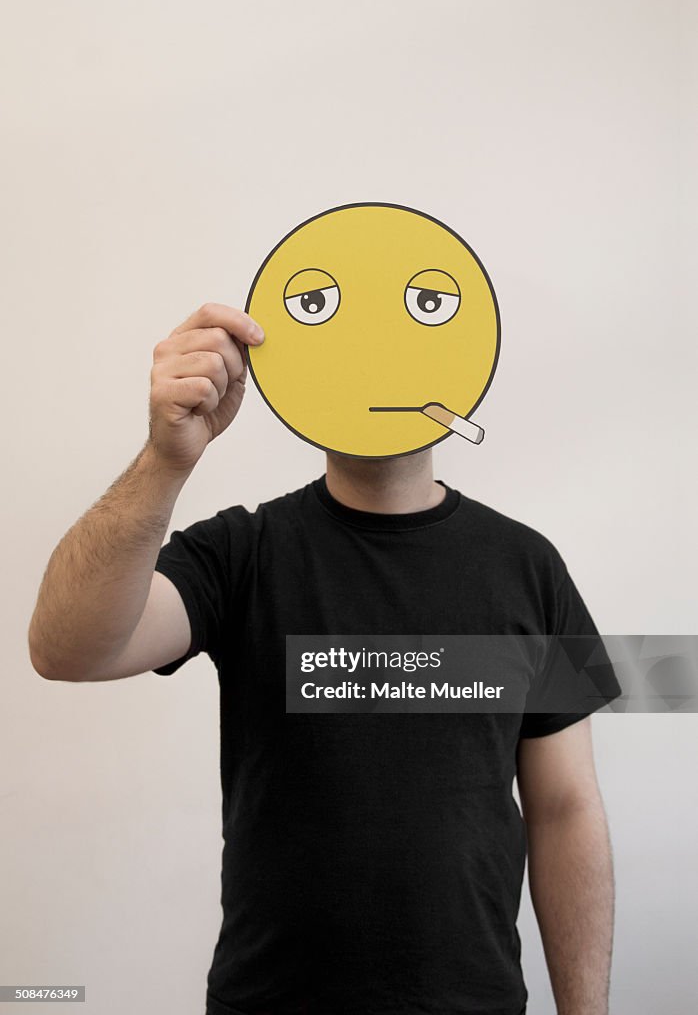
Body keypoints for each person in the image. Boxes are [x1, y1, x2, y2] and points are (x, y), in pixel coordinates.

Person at [28, 302, 622, 1015]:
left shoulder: (532, 565)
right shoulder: (240, 551)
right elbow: (62, 648)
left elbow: (566, 808)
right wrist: (164, 458)